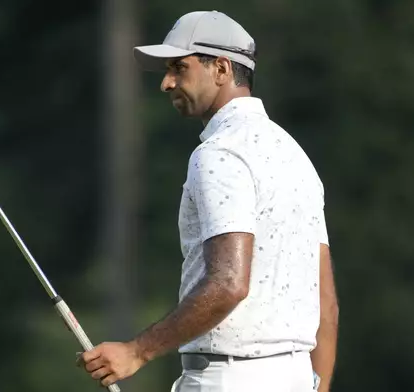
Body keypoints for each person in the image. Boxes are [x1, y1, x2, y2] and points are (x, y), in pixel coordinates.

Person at [78, 10, 339, 392]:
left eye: (178, 69)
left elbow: (229, 284)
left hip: (229, 379)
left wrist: (137, 351)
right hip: (298, 379)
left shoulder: (219, 153)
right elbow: (326, 306)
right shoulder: (296, 157)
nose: (166, 83)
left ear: (220, 68)